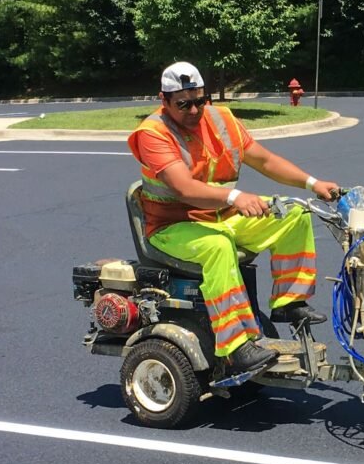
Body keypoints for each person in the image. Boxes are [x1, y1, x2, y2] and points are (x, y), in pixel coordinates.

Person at [128, 61, 340, 382]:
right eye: (183, 104)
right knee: (218, 247)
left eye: (200, 100)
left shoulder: (221, 119)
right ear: (164, 99)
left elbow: (264, 159)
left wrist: (312, 184)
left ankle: (289, 301)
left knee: (292, 212)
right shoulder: (153, 134)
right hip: (172, 227)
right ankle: (237, 345)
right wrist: (234, 197)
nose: (194, 109)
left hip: (221, 216)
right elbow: (184, 188)